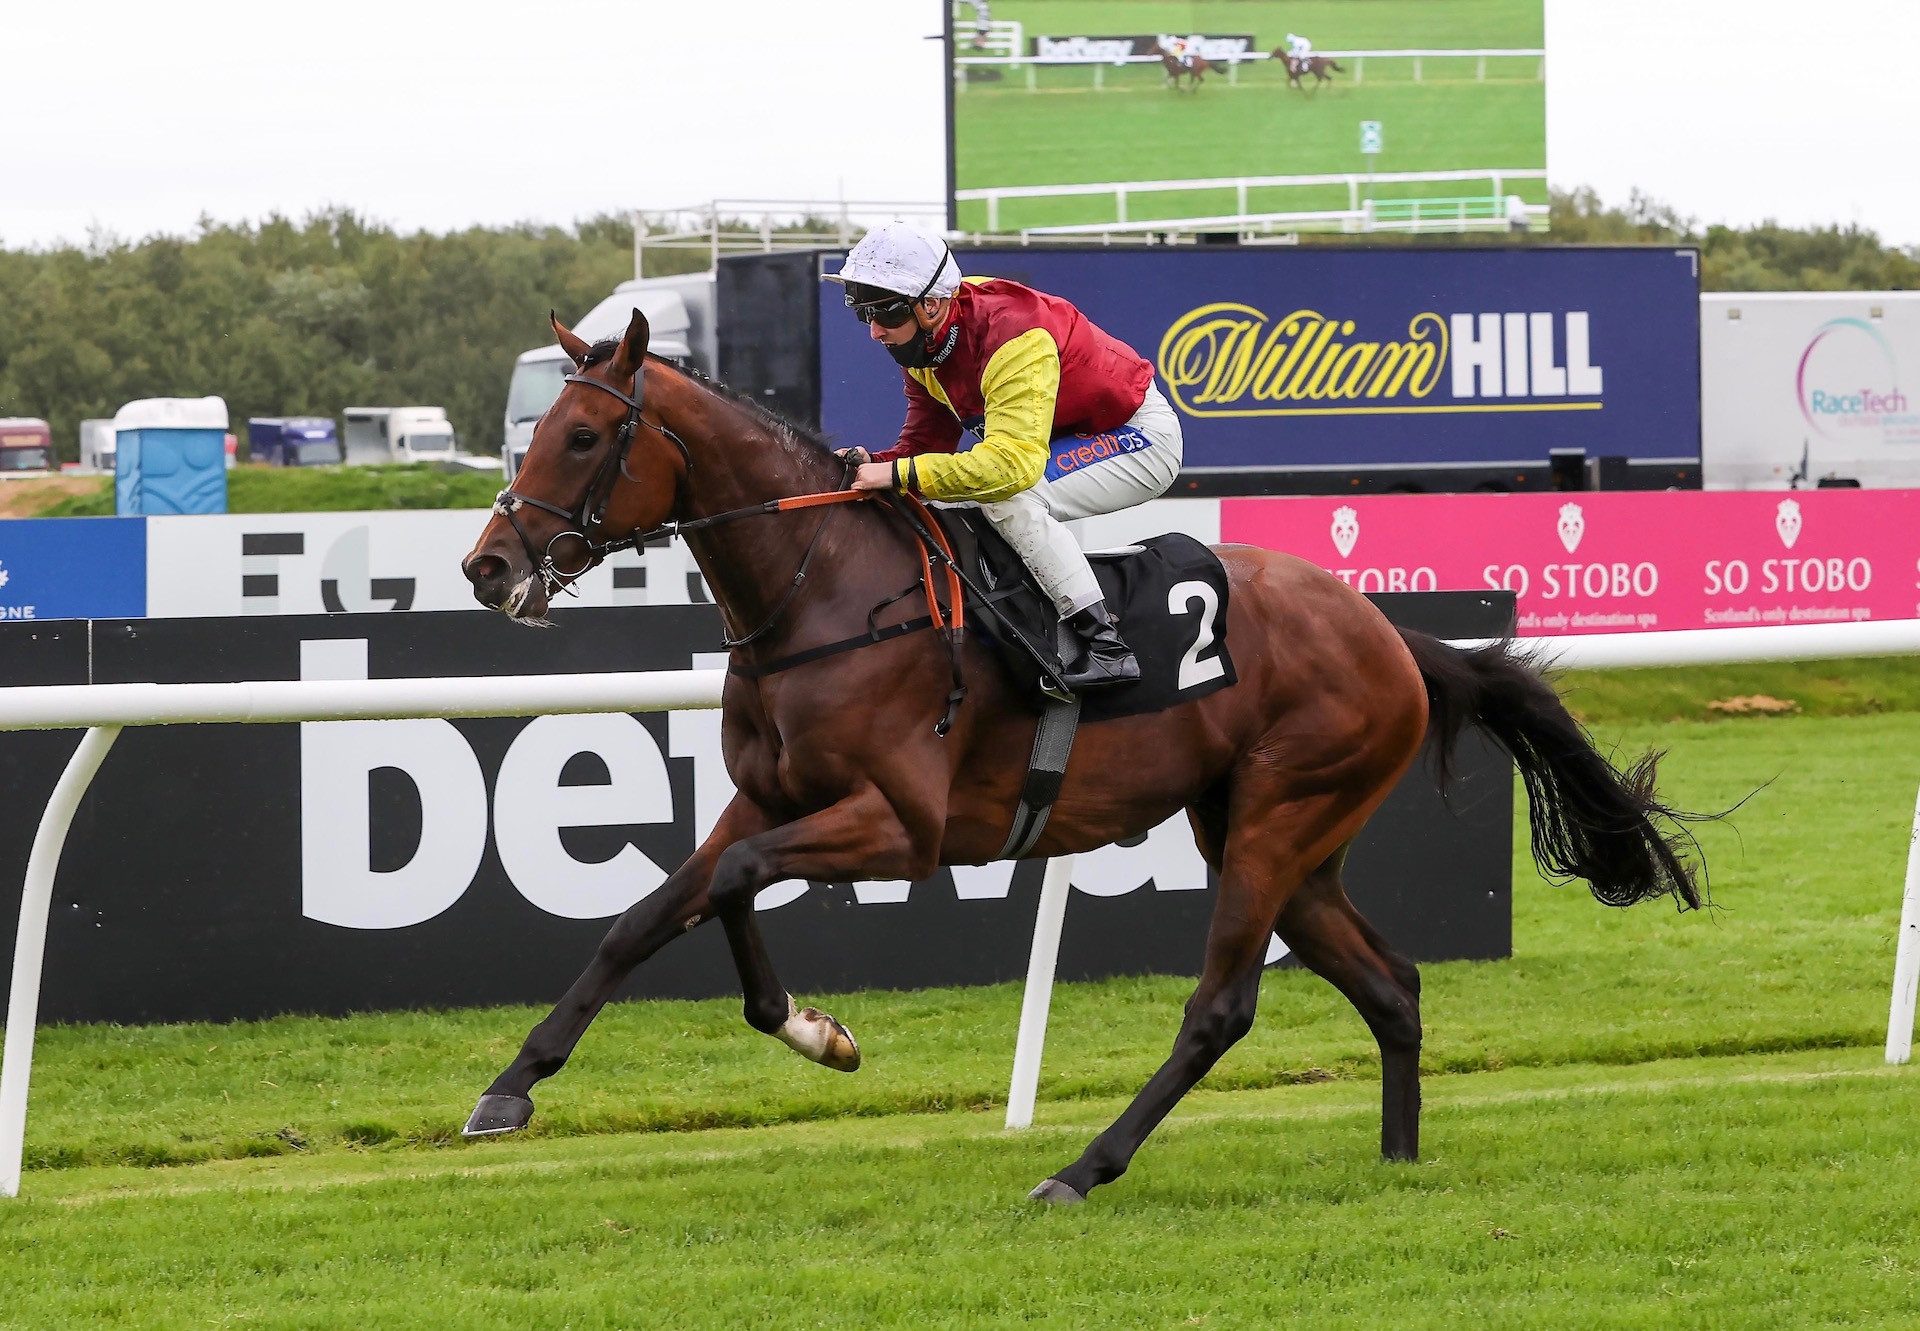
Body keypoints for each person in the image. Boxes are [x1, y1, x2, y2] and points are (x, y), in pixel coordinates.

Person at [827, 222, 1185, 692]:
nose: (874, 332)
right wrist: (872, 462)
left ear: (930, 305)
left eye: (885, 315)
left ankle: (1106, 646)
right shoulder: (926, 341)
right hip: (1064, 437)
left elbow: (1013, 468)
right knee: (944, 498)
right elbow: (924, 450)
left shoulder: (1013, 334)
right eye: (863, 316)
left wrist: (895, 472)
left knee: (1009, 497)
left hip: (1136, 436)